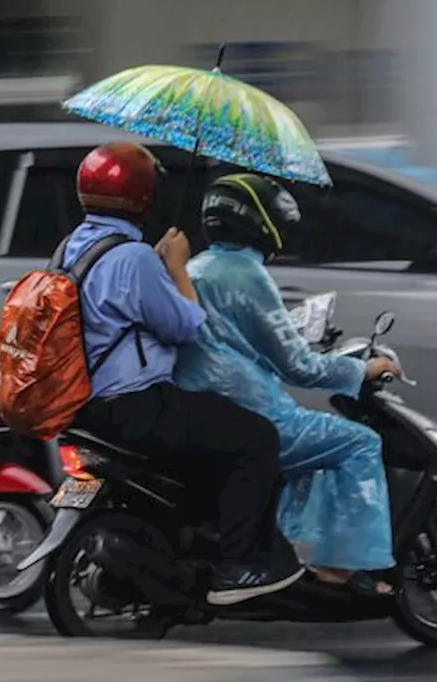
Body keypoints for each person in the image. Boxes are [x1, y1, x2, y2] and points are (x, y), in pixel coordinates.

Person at [62, 142, 304, 606]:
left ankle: (187, 546)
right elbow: (188, 326)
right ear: (141, 196)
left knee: (210, 435)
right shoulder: (130, 257)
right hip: (134, 406)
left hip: (86, 407)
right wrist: (176, 268)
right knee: (255, 438)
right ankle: (241, 566)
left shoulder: (75, 246)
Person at [174, 172, 401, 594]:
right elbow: (300, 368)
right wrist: (363, 370)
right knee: (359, 442)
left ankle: (285, 547)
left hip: (205, 403)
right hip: (251, 408)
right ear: (261, 223)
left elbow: (241, 342)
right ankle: (339, 569)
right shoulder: (245, 274)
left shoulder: (197, 267)